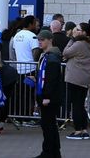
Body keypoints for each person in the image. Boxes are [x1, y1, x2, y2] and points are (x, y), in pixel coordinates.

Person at [62, 22, 90, 139]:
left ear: (83, 32)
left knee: (76, 105)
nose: (74, 31)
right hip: (85, 77)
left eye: (77, 29)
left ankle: (78, 130)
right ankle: (84, 129)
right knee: (81, 104)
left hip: (75, 77)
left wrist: (72, 39)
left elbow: (66, 52)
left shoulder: (79, 44)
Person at [34, 29, 64, 158]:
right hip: (47, 95)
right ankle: (53, 152)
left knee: (48, 125)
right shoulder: (46, 56)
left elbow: (51, 80)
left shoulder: (51, 58)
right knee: (49, 124)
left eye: (42, 40)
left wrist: (46, 96)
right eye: (39, 40)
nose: (40, 42)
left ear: (50, 40)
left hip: (49, 97)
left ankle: (48, 152)